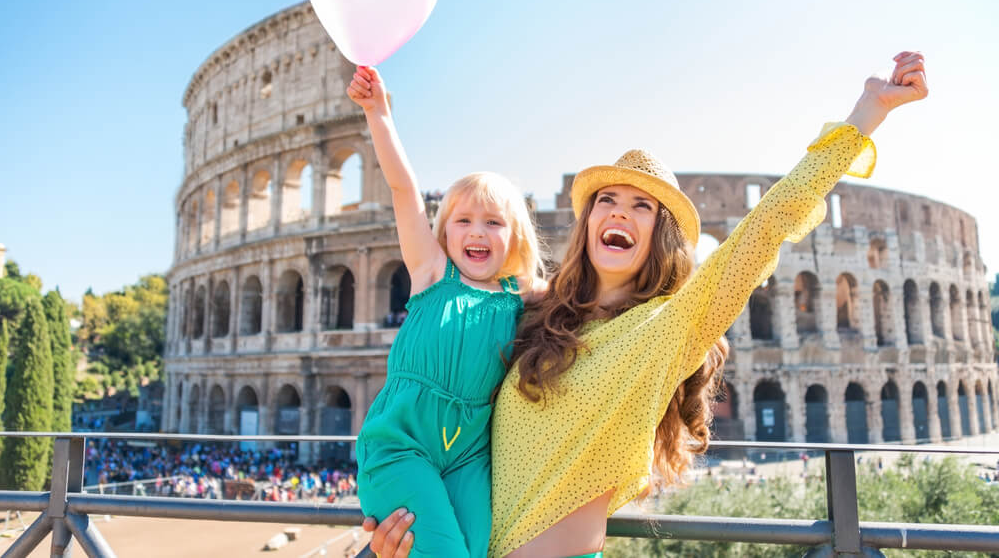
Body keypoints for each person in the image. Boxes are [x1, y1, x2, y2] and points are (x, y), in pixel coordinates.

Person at [365, 52, 928, 557]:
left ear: (659, 234)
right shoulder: (536, 318)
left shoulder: (670, 326)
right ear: (587, 226)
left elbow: (767, 226)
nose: (617, 212)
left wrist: (866, 114)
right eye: (606, 199)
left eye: (641, 206)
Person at [346, 66, 548, 558]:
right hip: (401, 445)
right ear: (444, 231)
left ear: (515, 237)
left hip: (469, 456)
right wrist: (378, 113)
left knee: (478, 549)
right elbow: (402, 190)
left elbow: (590, 294)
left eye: (493, 222)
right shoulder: (432, 272)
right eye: (464, 220)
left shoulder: (524, 295)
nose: (477, 231)